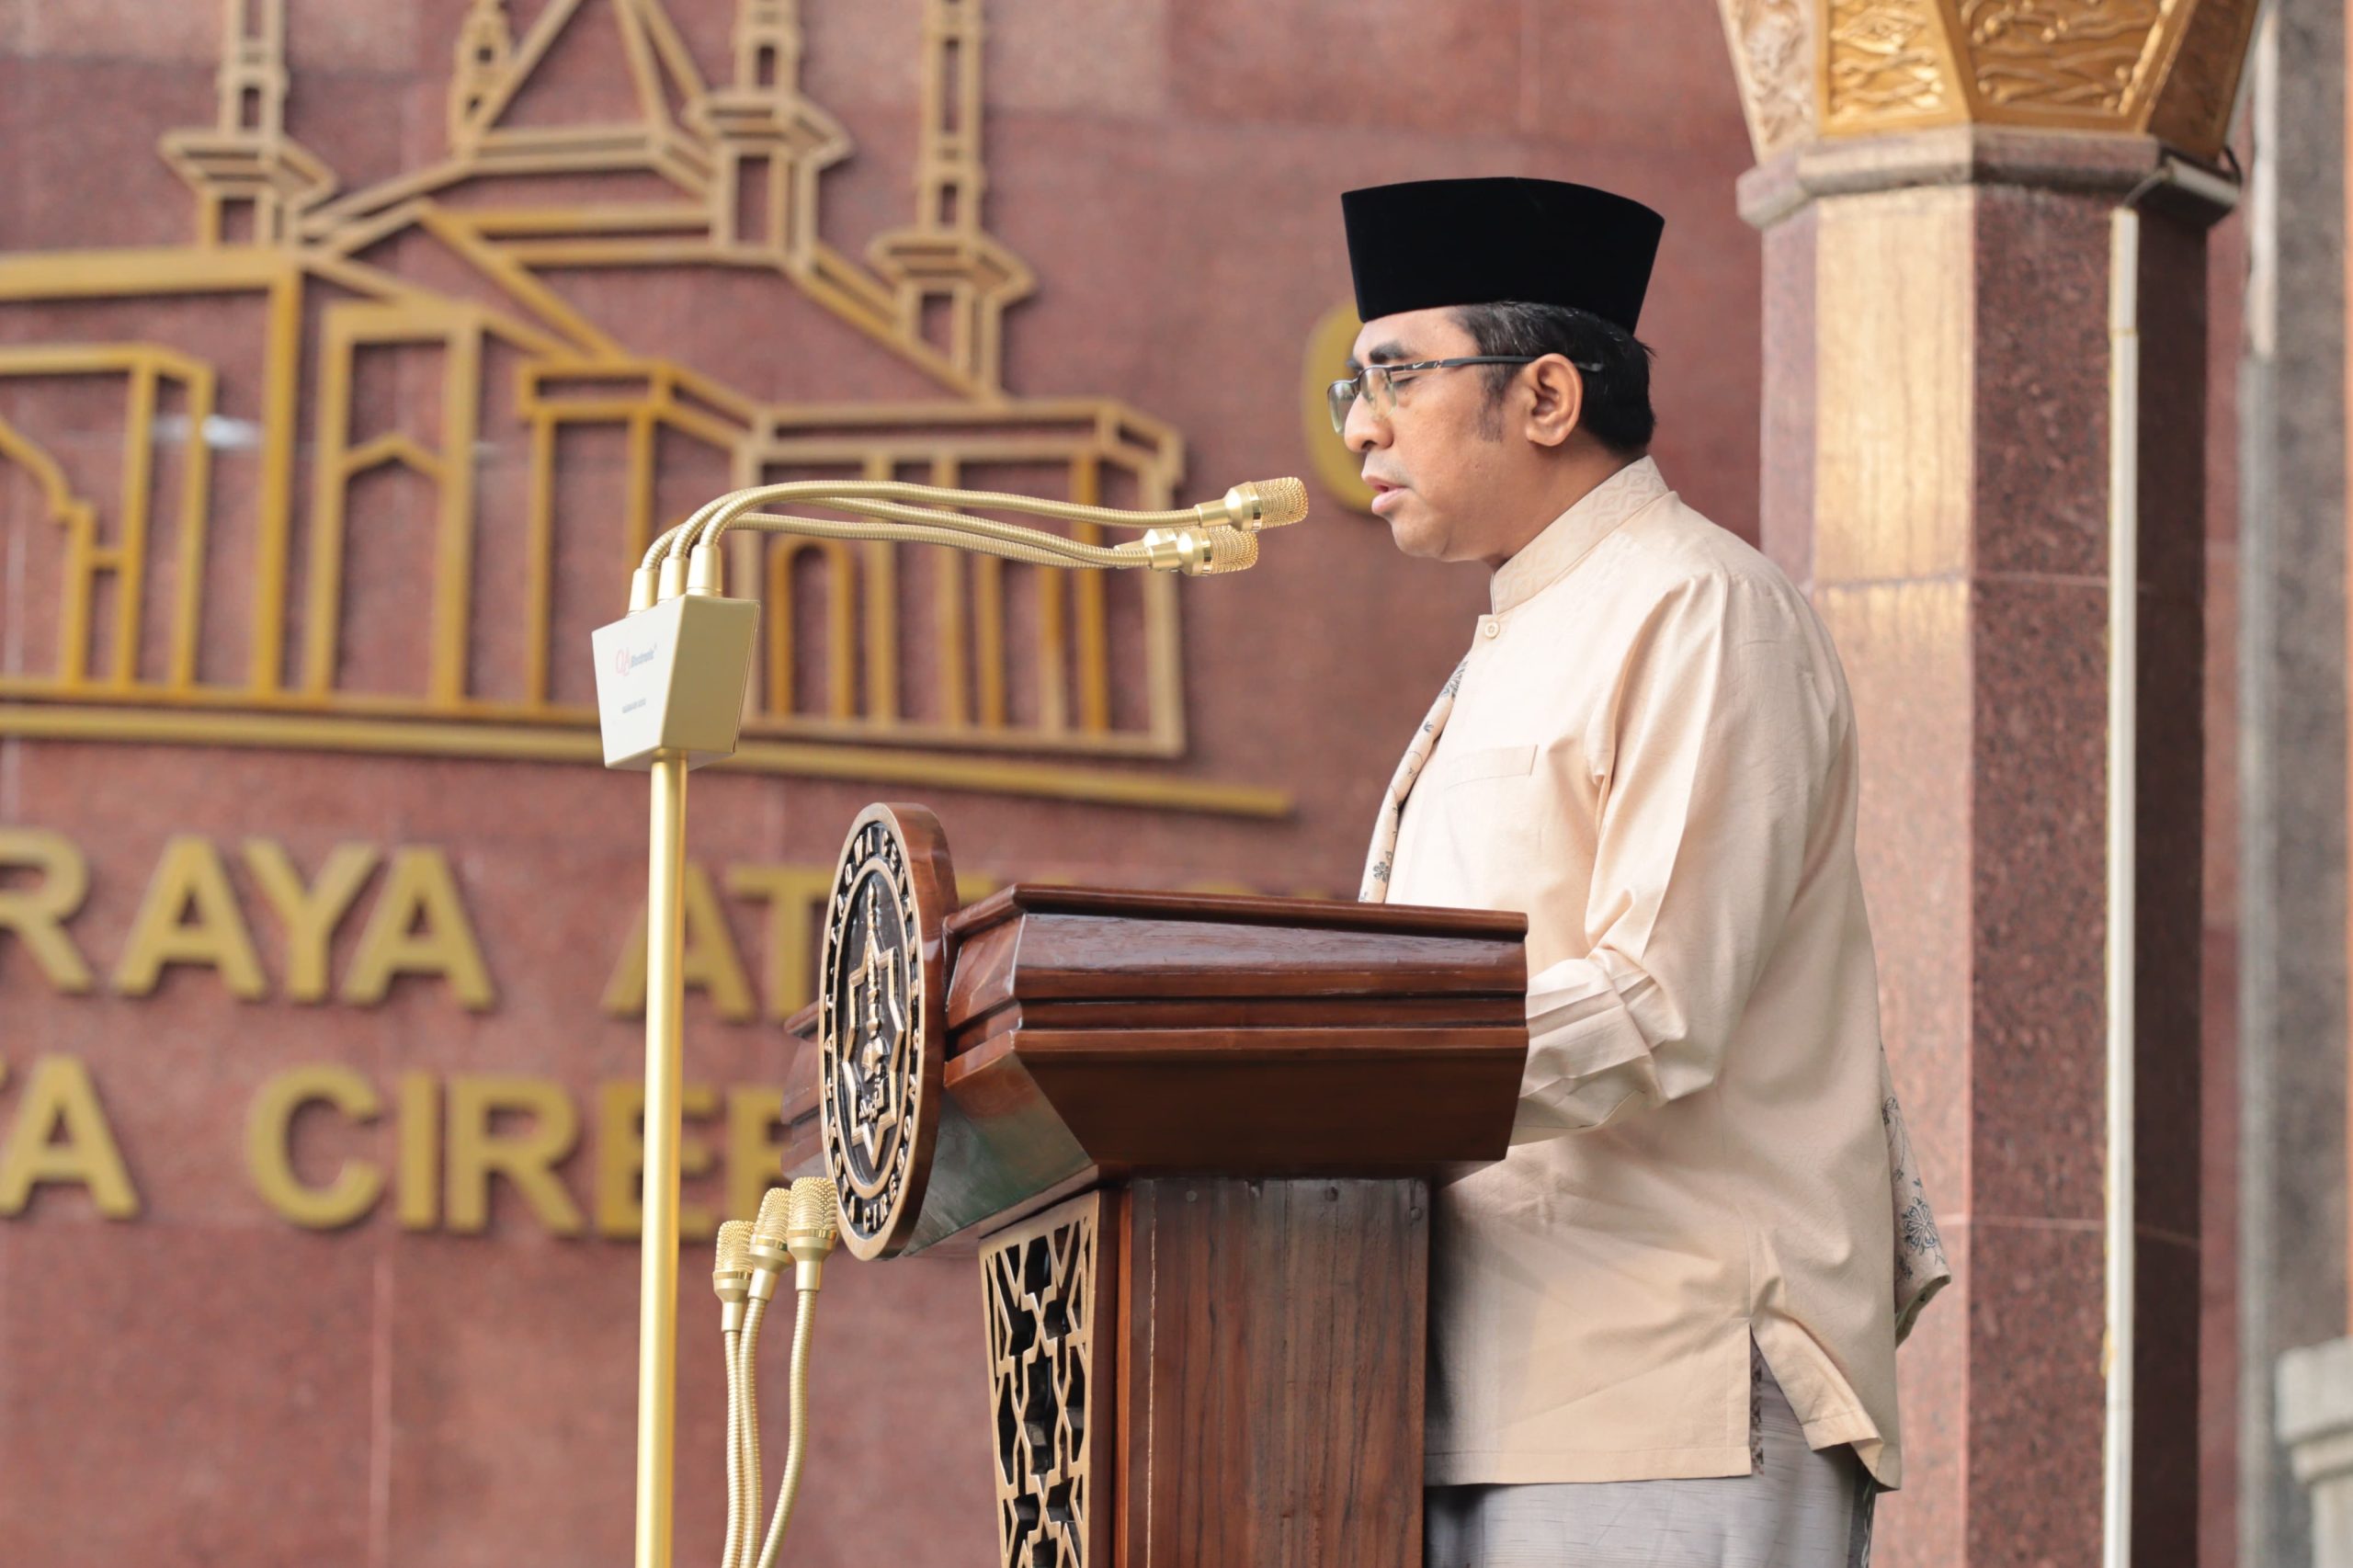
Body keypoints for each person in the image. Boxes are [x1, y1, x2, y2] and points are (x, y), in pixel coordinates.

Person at [1338, 176, 1948, 1568]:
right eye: (1351, 389)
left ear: (1547, 396)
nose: (1361, 425)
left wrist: (1349, 1071)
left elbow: (1656, 1000)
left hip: (1669, 1384)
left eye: (1396, 375)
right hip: (1476, 1387)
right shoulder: (1526, 631)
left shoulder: (1700, 604)